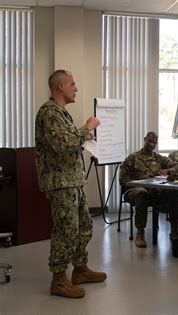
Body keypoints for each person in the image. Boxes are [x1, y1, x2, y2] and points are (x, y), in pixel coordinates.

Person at [35, 70, 106, 299]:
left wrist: (84, 138)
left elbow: (69, 142)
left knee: (84, 225)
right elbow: (62, 145)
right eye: (72, 84)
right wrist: (87, 127)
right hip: (60, 182)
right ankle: (58, 280)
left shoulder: (62, 113)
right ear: (60, 87)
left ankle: (80, 270)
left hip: (73, 180)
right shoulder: (49, 113)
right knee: (65, 230)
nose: (76, 88)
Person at [119, 132, 178, 247]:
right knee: (142, 193)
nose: (151, 144)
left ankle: (174, 229)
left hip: (156, 190)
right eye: (149, 141)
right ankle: (140, 232)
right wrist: (136, 183)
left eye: (154, 143)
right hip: (136, 190)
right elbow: (123, 180)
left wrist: (168, 172)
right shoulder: (132, 158)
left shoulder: (158, 158)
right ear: (144, 140)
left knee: (174, 191)